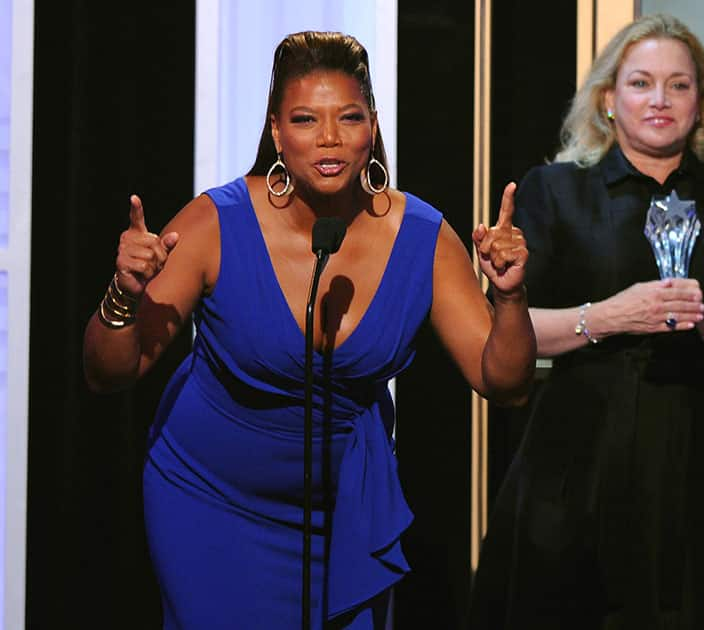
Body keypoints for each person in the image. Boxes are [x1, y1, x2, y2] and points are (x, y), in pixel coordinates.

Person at [82, 31, 535, 629]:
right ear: (276, 133)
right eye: (305, 119)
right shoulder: (216, 223)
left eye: (348, 117)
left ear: (371, 127)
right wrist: (124, 293)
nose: (328, 138)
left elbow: (503, 380)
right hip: (209, 503)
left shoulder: (422, 237)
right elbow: (109, 371)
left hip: (342, 517)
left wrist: (509, 297)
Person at [468, 14, 704, 629]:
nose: (659, 100)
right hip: (576, 474)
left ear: (702, 104)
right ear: (607, 99)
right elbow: (507, 335)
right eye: (641, 82)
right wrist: (611, 316)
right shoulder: (556, 191)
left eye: (679, 85)